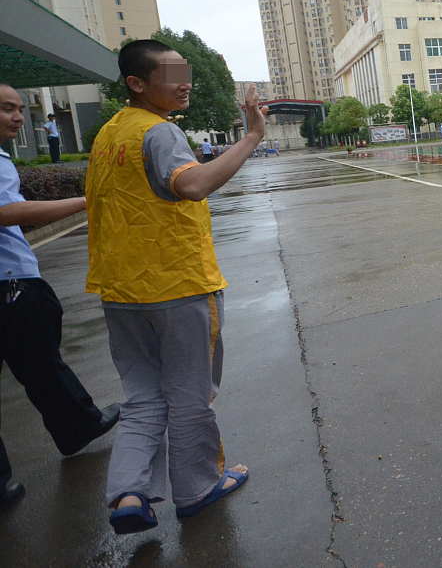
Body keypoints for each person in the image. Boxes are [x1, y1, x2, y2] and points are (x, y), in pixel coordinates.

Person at [86, 40, 266, 534]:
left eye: (184, 73)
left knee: (143, 396)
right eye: (171, 75)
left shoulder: (108, 135)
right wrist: (251, 137)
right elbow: (191, 186)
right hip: (178, 285)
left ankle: (127, 493)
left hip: (121, 290)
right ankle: (197, 487)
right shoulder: (160, 133)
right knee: (190, 393)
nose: (184, 82)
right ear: (137, 84)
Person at [0, 83, 120, 511]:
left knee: (43, 364)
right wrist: (86, 202)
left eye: (18, 109)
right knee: (42, 362)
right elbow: (5, 212)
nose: (16, 117)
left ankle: (78, 426)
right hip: (11, 283)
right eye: (5, 109)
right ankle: (78, 426)